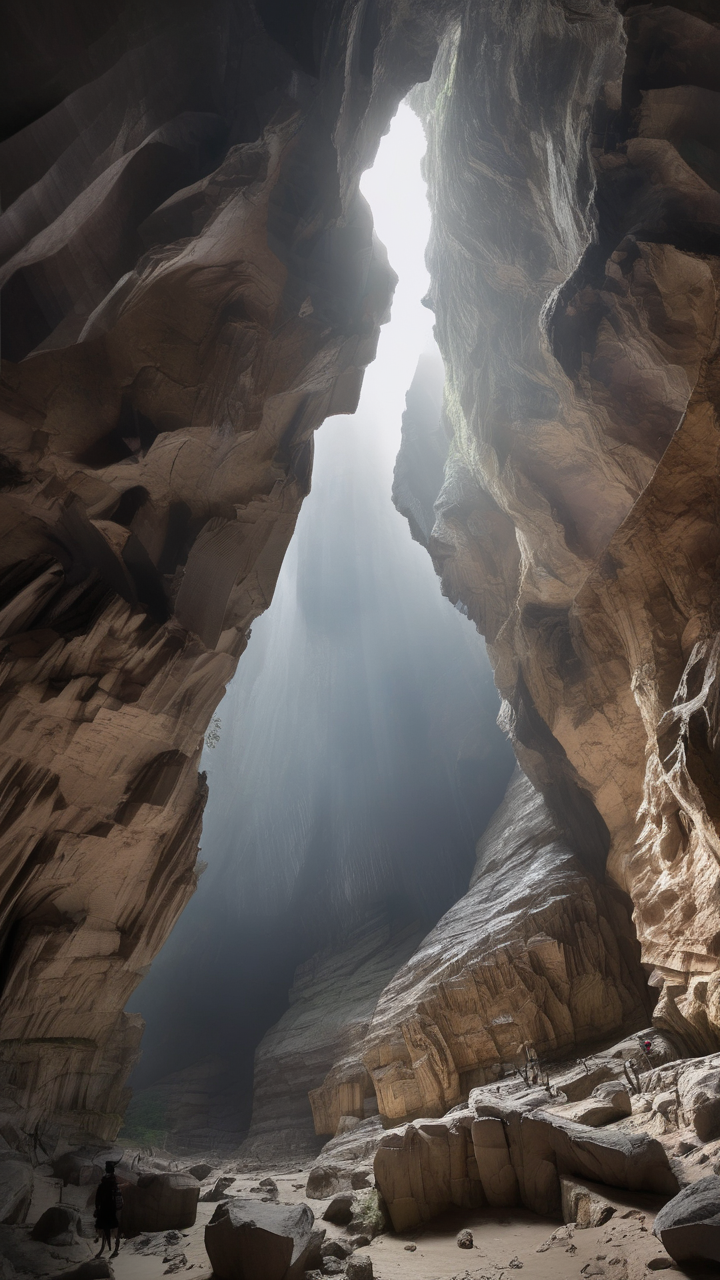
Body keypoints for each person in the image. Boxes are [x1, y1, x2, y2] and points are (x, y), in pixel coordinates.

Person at [94, 1160, 125, 1259]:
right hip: (108, 1208)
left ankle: (113, 1248)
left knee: (110, 1226)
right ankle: (110, 1248)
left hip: (108, 1208)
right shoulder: (111, 1184)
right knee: (110, 1226)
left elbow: (99, 1198)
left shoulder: (108, 1184)